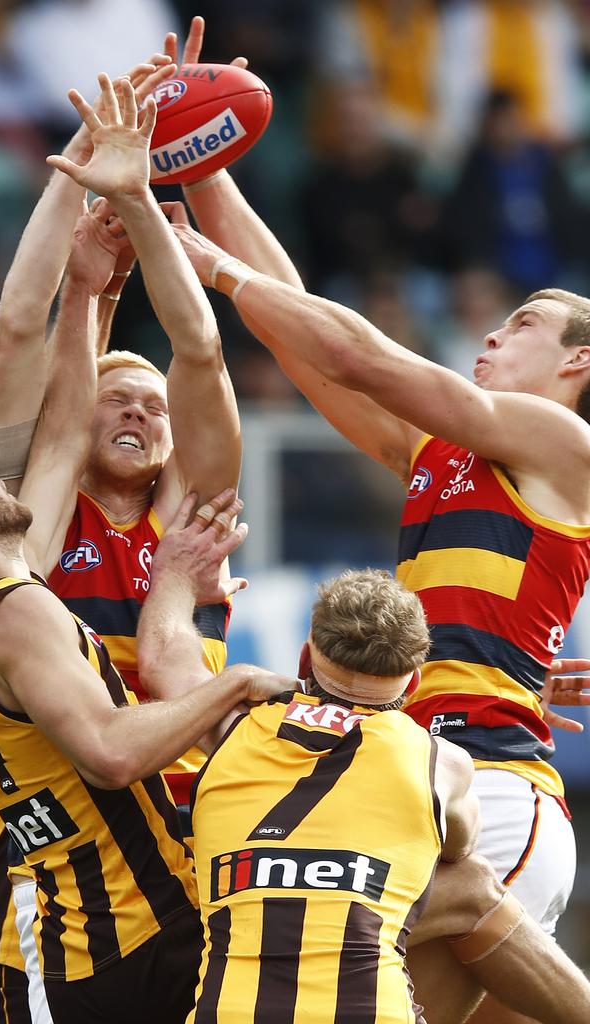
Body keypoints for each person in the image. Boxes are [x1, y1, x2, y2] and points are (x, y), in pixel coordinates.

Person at [169, 180, 590, 1024]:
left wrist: (218, 269)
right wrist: (208, 175)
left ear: (579, 362)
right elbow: (306, 342)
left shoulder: (563, 440)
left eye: (524, 324)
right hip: (424, 783)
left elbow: (361, 355)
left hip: (495, 793)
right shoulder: (443, 449)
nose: (491, 332)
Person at [0, 410, 288, 1024]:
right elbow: (111, 752)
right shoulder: (14, 612)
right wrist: (237, 681)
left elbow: (64, 434)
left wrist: (172, 576)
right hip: (113, 939)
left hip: (122, 932)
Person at [0, 53, 187, 1022]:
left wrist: (196, 167)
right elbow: (18, 330)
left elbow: (203, 352)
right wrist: (79, 169)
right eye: (112, 396)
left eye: (149, 401)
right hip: (66, 846)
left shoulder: (194, 511)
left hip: (173, 831)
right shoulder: (16, 518)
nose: (133, 412)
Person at [133, 509, 590, 1024]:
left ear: (305, 660)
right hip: (370, 1013)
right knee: (472, 883)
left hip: (227, 1010)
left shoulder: (233, 729)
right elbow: (456, 848)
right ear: (414, 685)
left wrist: (172, 571)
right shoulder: (441, 765)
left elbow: (164, 656)